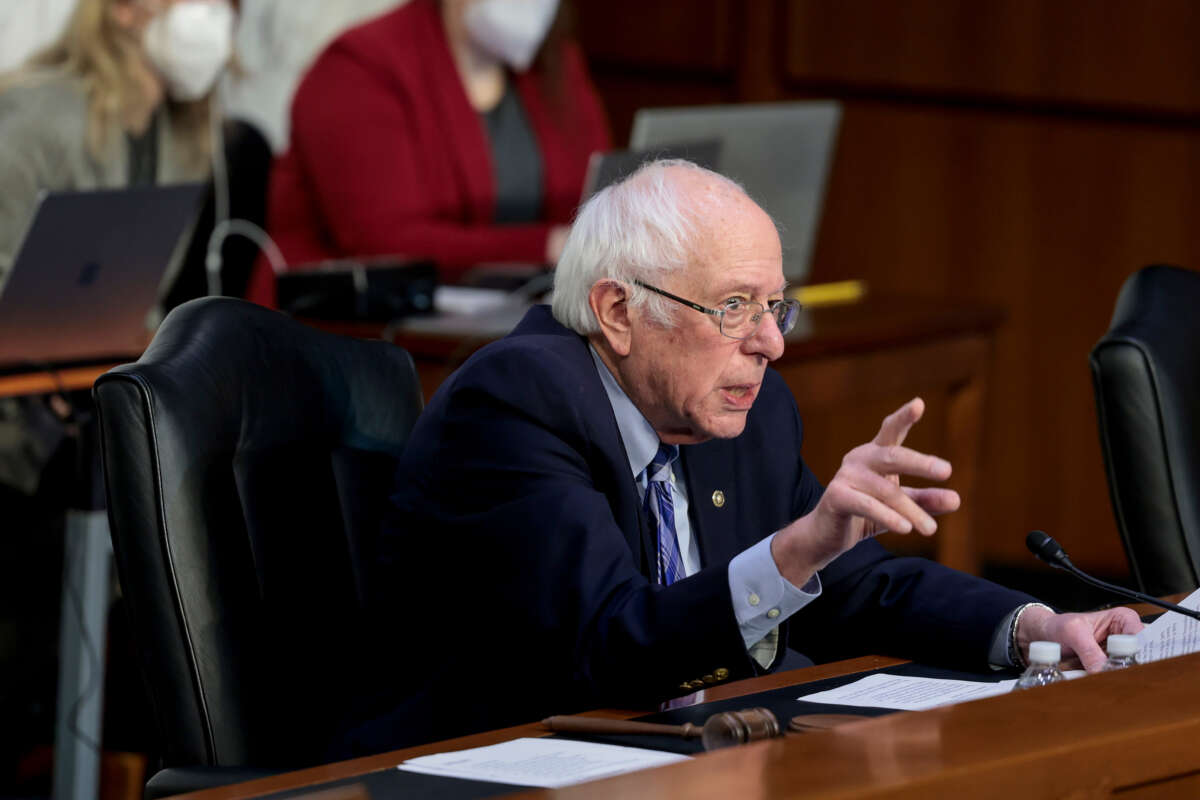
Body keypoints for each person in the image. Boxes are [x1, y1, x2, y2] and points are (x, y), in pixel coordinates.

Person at [353, 159, 1142, 753]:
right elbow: (610, 648)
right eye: (734, 307)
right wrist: (795, 552)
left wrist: (1032, 623)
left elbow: (850, 586)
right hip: (473, 769)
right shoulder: (518, 400)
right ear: (618, 311)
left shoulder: (738, 410)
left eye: (774, 307)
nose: (769, 343)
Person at [249, 0, 610, 306]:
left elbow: (596, 193)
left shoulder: (555, 64)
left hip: (508, 320)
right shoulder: (357, 66)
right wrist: (547, 247)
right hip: (347, 336)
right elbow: (382, 241)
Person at [0, 0, 236, 287]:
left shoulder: (188, 140)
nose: (214, 11)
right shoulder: (33, 119)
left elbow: (141, 302)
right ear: (124, 8)